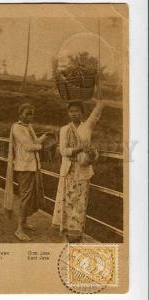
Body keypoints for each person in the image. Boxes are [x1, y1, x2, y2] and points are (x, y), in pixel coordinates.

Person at [52, 99, 105, 242]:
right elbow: (63, 151)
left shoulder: (87, 127)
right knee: (67, 202)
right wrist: (80, 149)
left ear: (82, 113)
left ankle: (77, 234)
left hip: (83, 171)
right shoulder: (64, 129)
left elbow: (97, 111)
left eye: (76, 111)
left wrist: (99, 100)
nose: (73, 114)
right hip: (68, 171)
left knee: (80, 203)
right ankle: (67, 233)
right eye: (71, 111)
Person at [4, 103, 48, 242]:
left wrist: (45, 137)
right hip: (23, 167)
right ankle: (19, 230)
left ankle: (24, 223)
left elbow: (34, 141)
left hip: (32, 166)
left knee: (30, 196)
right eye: (27, 113)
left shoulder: (28, 126)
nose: (30, 116)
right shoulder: (17, 127)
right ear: (20, 114)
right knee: (25, 197)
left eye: (32, 114)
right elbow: (29, 146)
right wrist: (40, 146)